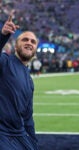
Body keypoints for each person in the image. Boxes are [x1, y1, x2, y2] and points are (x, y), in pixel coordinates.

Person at [0, 15, 39, 150]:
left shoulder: (29, 81)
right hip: (3, 134)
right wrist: (3, 36)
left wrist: (33, 144)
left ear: (35, 51)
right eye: (25, 40)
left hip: (19, 135)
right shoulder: (5, 61)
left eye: (33, 42)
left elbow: (28, 118)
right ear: (16, 46)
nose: (29, 43)